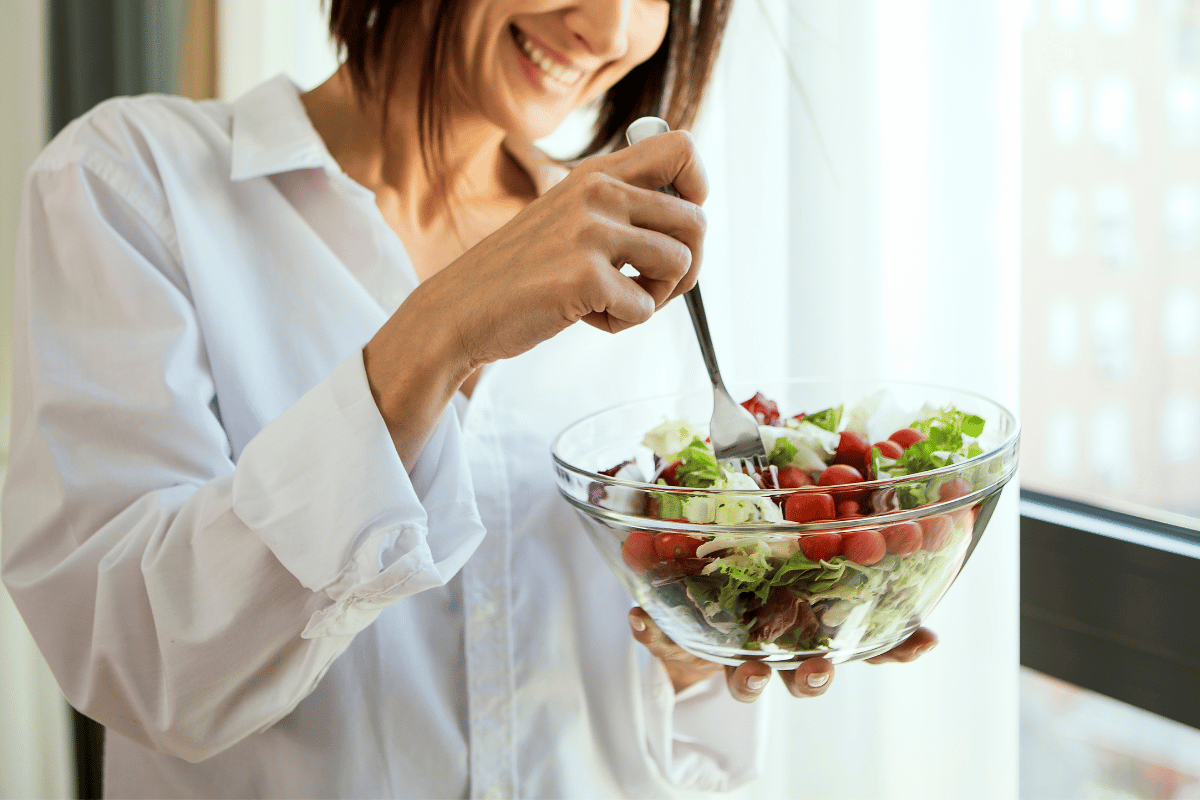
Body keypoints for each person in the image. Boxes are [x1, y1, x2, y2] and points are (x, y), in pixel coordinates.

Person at [1, 0, 935, 797]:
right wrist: (440, 332)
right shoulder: (132, 181)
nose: (609, 25)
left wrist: (705, 645)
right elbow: (141, 661)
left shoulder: (629, 258)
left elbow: (662, 747)